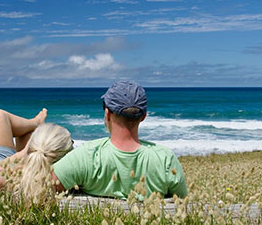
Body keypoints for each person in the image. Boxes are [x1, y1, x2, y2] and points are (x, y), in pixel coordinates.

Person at [51, 80, 188, 200]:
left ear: (107, 113)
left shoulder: (87, 155)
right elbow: (181, 203)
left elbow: (43, 186)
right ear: (143, 116)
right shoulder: (165, 159)